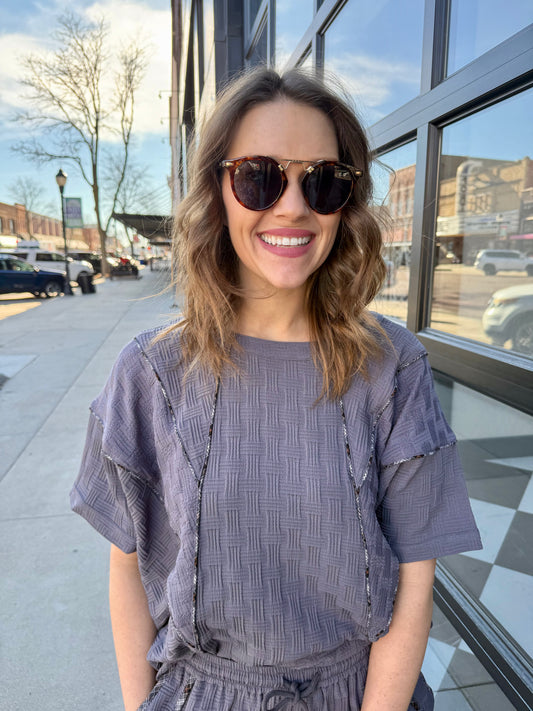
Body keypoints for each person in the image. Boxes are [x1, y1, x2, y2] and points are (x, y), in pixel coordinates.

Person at [70, 67, 482, 711]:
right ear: (217, 190)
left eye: (323, 181)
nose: (292, 206)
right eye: (259, 177)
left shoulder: (393, 366)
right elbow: (128, 562)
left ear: (347, 203)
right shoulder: (151, 371)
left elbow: (414, 579)